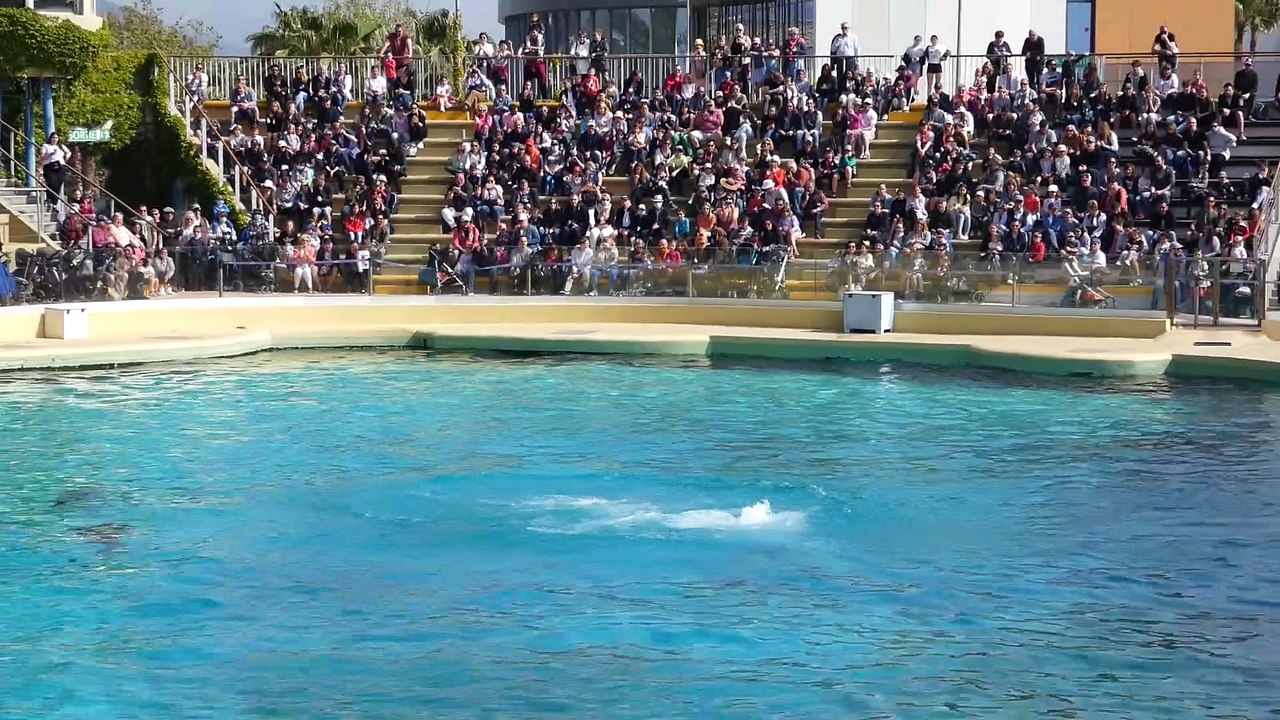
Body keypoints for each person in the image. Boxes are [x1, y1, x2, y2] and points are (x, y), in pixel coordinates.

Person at [37, 131, 70, 212]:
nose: (55, 139)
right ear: (50, 138)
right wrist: (51, 154)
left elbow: (68, 152)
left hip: (60, 165)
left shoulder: (61, 146)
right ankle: (49, 199)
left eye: (56, 138)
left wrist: (66, 158)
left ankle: (54, 204)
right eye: (53, 138)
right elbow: (41, 158)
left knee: (58, 185)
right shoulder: (46, 146)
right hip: (50, 165)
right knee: (52, 183)